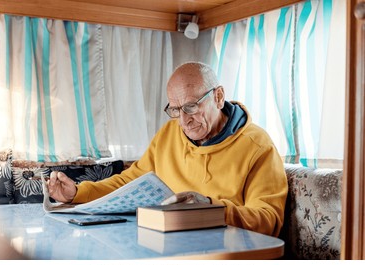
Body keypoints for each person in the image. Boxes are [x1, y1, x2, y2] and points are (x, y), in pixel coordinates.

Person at [47, 61, 288, 237]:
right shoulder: (169, 134)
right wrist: (76, 193)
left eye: (191, 107)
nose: (183, 121)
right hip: (166, 244)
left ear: (218, 96)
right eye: (175, 110)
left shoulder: (258, 146)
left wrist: (210, 207)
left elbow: (268, 220)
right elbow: (128, 183)